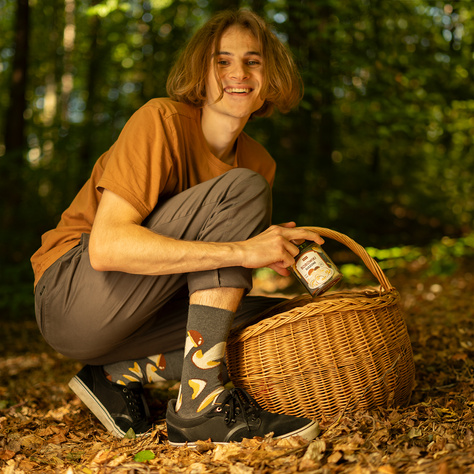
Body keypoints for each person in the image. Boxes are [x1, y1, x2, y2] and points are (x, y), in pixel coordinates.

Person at [31, 9, 323, 446]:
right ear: (200, 72)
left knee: (272, 318)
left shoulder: (260, 161)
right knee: (243, 189)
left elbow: (212, 285)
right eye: (221, 61)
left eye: (253, 61)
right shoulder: (161, 121)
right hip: (73, 295)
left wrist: (268, 251)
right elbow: (107, 247)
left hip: (137, 315)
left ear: (270, 74)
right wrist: (243, 251)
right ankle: (200, 407)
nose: (238, 73)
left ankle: (115, 375)